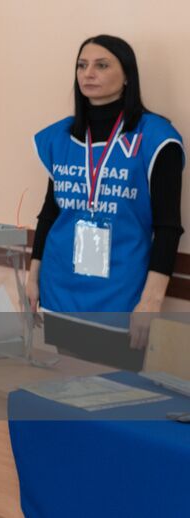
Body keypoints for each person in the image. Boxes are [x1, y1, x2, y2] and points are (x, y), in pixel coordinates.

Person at [30, 35, 183, 365]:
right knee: (69, 385)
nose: (88, 73)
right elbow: (49, 212)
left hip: (122, 289)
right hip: (62, 283)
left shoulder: (157, 138)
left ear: (127, 75)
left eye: (102, 65)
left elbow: (168, 227)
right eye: (82, 66)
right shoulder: (59, 136)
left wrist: (151, 301)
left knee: (113, 392)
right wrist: (33, 275)